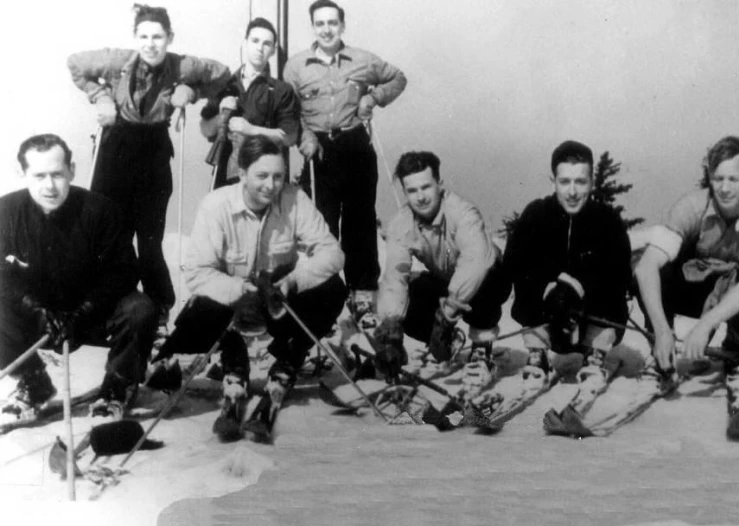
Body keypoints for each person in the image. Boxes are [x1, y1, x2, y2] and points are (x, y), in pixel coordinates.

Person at [157, 136, 347, 438]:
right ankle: (233, 360)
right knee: (200, 313)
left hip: (275, 297)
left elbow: (332, 253)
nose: (271, 185)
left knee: (333, 288)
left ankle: (288, 360)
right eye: (262, 175)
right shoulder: (216, 205)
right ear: (242, 172)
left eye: (278, 176)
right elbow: (197, 272)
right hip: (231, 301)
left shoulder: (295, 199)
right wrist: (237, 290)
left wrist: (294, 281)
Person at [67, 4, 230, 322]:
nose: (150, 43)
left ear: (169, 37)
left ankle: (159, 308)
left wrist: (191, 91)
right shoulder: (116, 60)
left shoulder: (181, 65)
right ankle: (111, 303)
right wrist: (100, 95)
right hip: (114, 148)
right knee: (112, 233)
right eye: (144, 36)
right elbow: (74, 64)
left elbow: (222, 75)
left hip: (153, 152)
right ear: (135, 37)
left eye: (157, 36)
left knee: (150, 238)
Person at [0, 134, 157, 421]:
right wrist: (35, 308)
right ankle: (33, 382)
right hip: (41, 321)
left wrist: (84, 311)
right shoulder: (6, 211)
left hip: (92, 316)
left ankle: (117, 387)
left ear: (71, 169)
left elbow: (123, 272)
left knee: (140, 309)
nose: (49, 186)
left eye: (57, 174)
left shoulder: (100, 210)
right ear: (21, 172)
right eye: (39, 175)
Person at [283, 0, 407, 324]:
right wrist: (304, 137)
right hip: (318, 150)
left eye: (332, 23)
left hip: (354, 144)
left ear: (342, 26)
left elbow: (397, 78)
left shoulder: (362, 60)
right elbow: (288, 112)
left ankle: (363, 297)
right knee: (321, 225)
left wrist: (373, 97)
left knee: (360, 222)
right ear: (312, 27)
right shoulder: (295, 67)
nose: (326, 29)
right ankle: (324, 294)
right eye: (320, 23)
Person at [635, 136, 739, 403]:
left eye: (733, 179)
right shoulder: (692, 205)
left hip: (738, 294)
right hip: (698, 288)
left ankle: (737, 348)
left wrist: (705, 327)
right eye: (718, 178)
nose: (724, 188)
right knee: (647, 268)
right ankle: (661, 354)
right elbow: (646, 268)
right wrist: (662, 329)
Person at [372, 151, 511, 399]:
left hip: (489, 275)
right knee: (410, 294)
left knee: (483, 281)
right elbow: (396, 276)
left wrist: (446, 316)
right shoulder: (401, 224)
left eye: (426, 187)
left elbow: (474, 263)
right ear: (405, 192)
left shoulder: (463, 212)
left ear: (440, 184)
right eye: (412, 191)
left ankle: (482, 351)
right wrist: (390, 332)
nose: (421, 197)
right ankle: (448, 342)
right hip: (449, 280)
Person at [503, 140, 632, 406]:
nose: (572, 192)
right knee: (527, 288)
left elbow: (619, 274)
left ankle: (594, 356)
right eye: (564, 182)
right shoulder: (536, 214)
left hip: (590, 317)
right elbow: (514, 264)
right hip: (548, 318)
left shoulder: (607, 220)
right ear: (553, 181)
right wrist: (549, 288)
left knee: (614, 299)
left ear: (591, 182)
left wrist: (576, 288)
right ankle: (538, 356)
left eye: (580, 182)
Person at [200, 17, 300, 189]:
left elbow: (289, 138)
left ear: (273, 50)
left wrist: (250, 130)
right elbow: (205, 129)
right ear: (245, 43)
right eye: (255, 41)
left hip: (263, 177)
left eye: (266, 44)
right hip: (225, 176)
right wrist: (220, 115)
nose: (260, 48)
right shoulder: (224, 84)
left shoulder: (281, 90)